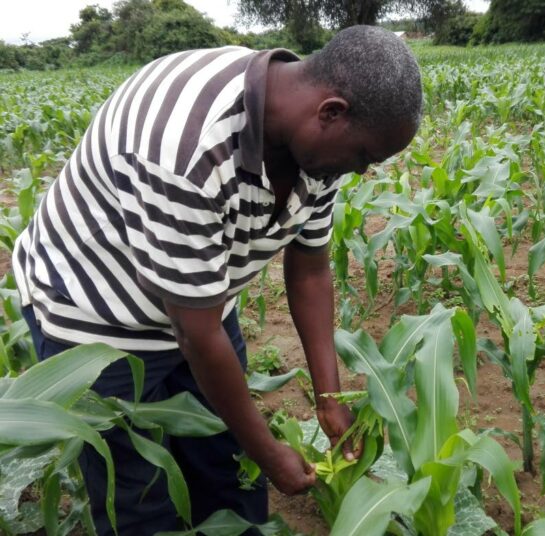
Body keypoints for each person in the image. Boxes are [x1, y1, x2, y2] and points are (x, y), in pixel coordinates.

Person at [12, 25, 423, 535]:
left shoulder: (316, 148)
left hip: (200, 303)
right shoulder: (184, 149)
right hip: (96, 317)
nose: (362, 172)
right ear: (331, 112)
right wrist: (270, 452)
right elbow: (197, 335)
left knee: (231, 475)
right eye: (365, 156)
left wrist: (329, 399)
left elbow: (311, 269)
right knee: (141, 500)